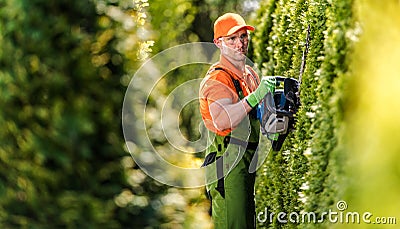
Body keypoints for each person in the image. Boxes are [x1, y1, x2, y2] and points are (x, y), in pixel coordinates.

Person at [199, 13, 276, 228]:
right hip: (227, 164)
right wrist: (255, 96)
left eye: (243, 37)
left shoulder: (249, 74)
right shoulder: (218, 79)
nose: (239, 44)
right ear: (218, 43)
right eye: (231, 39)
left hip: (246, 161)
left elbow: (255, 114)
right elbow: (223, 120)